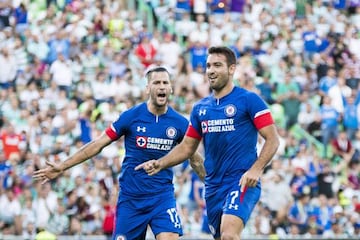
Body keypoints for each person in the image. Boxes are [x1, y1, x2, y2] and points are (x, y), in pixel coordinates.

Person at [33, 66, 205, 240]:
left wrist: (214, 185)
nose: (161, 87)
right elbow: (98, 144)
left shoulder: (180, 123)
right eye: (156, 83)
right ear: (147, 88)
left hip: (162, 197)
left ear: (170, 88)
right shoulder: (131, 117)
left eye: (165, 83)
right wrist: (62, 166)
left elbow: (195, 158)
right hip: (131, 200)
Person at [136, 46, 280, 239]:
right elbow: (187, 147)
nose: (211, 70)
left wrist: (256, 169)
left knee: (229, 234)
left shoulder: (249, 100)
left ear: (231, 69)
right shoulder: (200, 108)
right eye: (208, 65)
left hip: (241, 180)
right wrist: (160, 163)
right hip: (213, 186)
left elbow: (273, 139)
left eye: (217, 65)